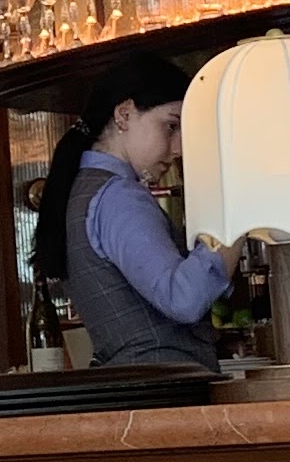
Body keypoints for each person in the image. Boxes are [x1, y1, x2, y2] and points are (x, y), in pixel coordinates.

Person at [36, 50, 233, 371]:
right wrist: (236, 218)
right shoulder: (118, 195)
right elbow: (183, 299)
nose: (179, 148)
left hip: (134, 381)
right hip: (164, 383)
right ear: (124, 114)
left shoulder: (83, 188)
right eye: (171, 126)